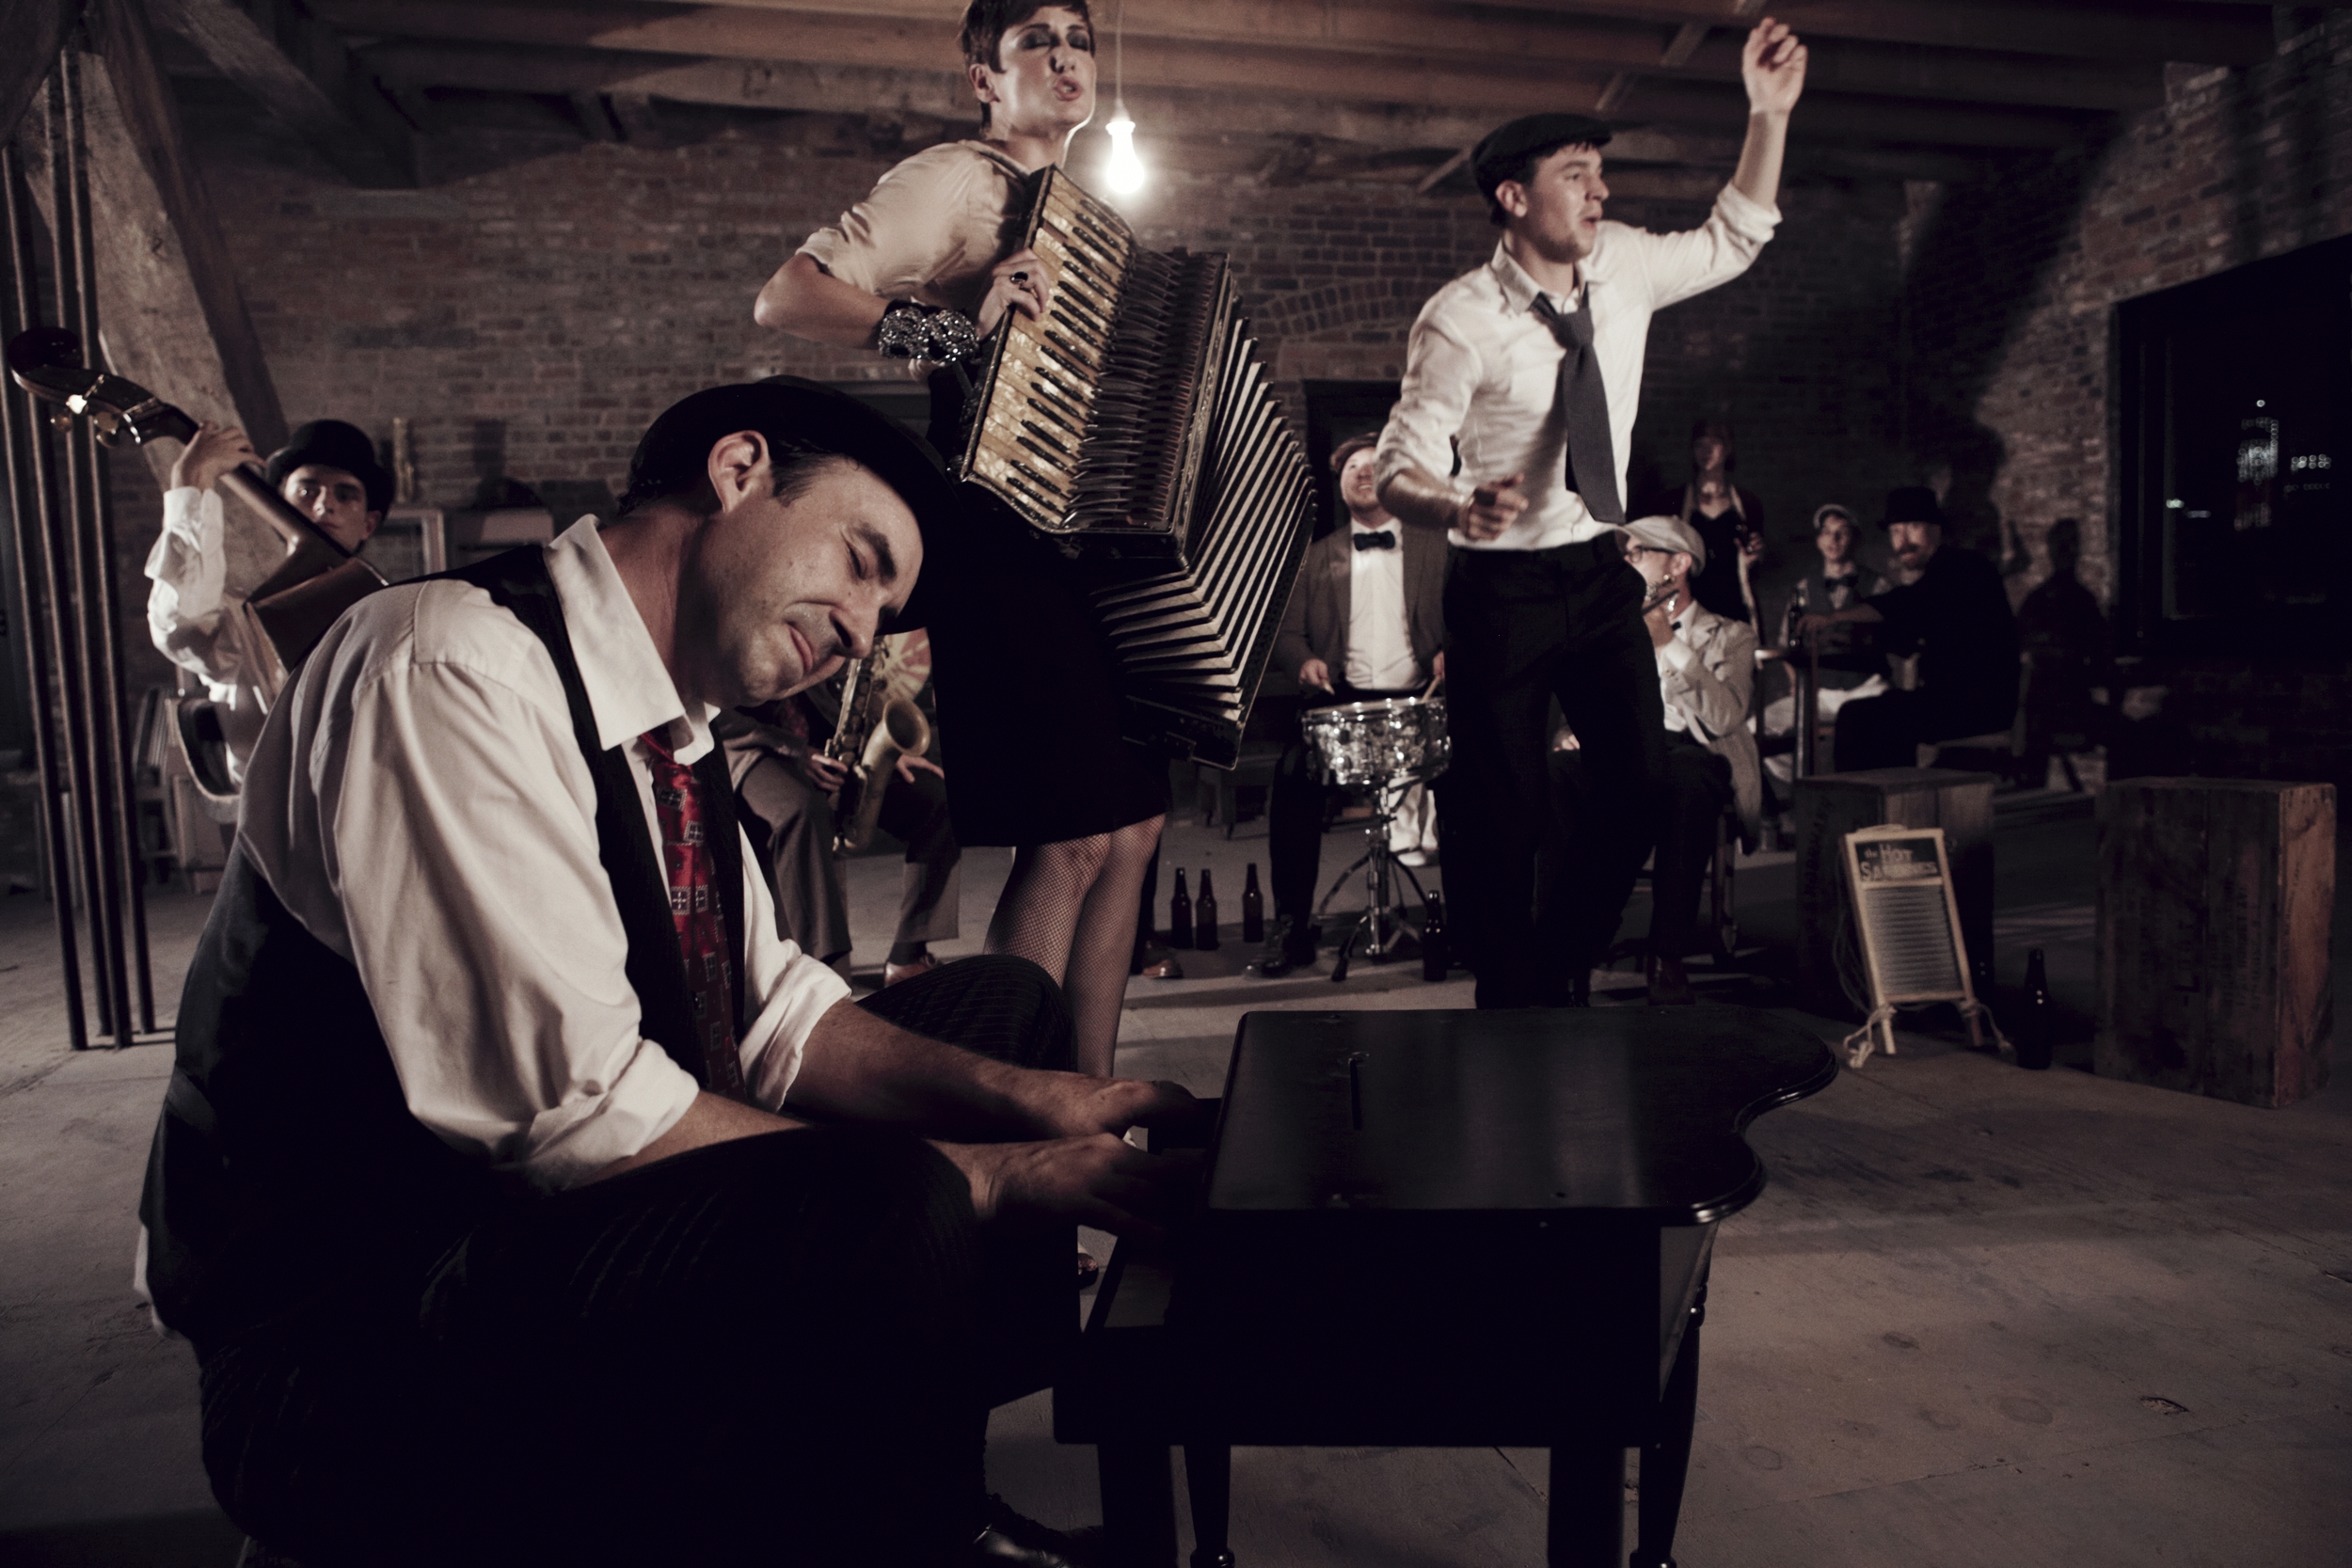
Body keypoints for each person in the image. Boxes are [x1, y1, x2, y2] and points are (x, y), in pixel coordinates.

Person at [136, 379, 1200, 1568]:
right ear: (739, 469)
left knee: (1007, 1015)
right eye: (858, 562)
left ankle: (933, 1501)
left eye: (884, 608)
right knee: (895, 1192)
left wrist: (1055, 1101)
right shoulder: (447, 664)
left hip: (512, 1243)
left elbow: (779, 1017)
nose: (862, 631)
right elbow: (576, 1112)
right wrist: (988, 1176)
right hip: (348, 1341)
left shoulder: (668, 726)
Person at [754, 0, 1162, 1075]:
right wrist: (944, 329)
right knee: (1068, 837)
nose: (1067, 58)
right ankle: (1012, 1105)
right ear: (984, 78)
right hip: (998, 535)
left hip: (1086, 541)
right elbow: (787, 297)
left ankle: (1090, 1104)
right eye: (1037, 41)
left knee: (1132, 830)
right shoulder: (956, 179)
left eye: (1079, 41)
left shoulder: (1083, 211)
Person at [1372, 17, 1806, 1008]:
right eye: (1576, 174)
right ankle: (1507, 991)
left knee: (1645, 787)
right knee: (1505, 811)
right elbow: (1399, 464)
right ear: (1514, 197)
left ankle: (1553, 965)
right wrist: (1454, 502)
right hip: (1501, 590)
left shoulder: (1626, 268)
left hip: (1597, 572)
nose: (1599, 190)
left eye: (1599, 173)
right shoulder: (1461, 319)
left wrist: (1767, 114)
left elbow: (1734, 236)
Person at [1550, 516, 1760, 1006]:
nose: (1627, 562)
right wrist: (1570, 731)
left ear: (1678, 564)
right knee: (1560, 775)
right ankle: (1562, 948)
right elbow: (1580, 699)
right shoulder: (1612, 629)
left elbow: (1726, 717)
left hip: (1694, 749)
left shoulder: (1731, 635)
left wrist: (1669, 643)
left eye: (1638, 552)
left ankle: (1668, 955)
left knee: (1685, 782)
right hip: (1625, 746)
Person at [1259, 434, 1446, 976]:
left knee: (1470, 784)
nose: (1364, 472)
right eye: (1352, 468)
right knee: (1292, 779)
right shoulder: (1317, 556)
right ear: (1339, 486)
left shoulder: (1438, 547)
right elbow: (1286, 633)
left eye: (1374, 464)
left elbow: (1473, 612)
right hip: (1342, 697)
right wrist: (1303, 662)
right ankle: (1291, 926)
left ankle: (1475, 924)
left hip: (1421, 695)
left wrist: (1453, 651)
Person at [145, 418, 389, 784]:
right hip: (276, 807)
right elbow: (183, 630)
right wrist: (191, 482)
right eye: (307, 491)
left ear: (368, 524)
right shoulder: (244, 620)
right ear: (278, 507)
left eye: (345, 494)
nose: (325, 505)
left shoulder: (389, 613)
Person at [715, 641, 961, 984]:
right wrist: (797, 751)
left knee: (938, 801)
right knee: (801, 810)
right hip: (749, 745)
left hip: (825, 744)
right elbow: (715, 716)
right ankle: (827, 971)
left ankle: (907, 955)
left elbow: (838, 693)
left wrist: (881, 745)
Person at [1797, 485, 2020, 771]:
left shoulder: (1964, 568)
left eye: (1913, 527)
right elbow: (1909, 635)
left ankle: (1884, 795)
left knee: (1862, 716)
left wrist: (1834, 616)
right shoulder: (1942, 575)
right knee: (1873, 712)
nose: (1903, 541)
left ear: (1936, 529)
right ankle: (1889, 793)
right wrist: (1846, 637)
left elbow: (1909, 603)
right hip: (1956, 701)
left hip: (1979, 705)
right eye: (1895, 531)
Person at [1759, 501, 1888, 785]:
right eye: (1827, 533)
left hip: (1866, 687)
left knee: (1879, 733)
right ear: (1818, 540)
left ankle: (1857, 789)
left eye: (1842, 532)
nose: (1834, 540)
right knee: (1759, 727)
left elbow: (1893, 634)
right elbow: (1786, 643)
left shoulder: (1878, 585)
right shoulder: (1804, 588)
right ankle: (1807, 786)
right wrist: (1796, 682)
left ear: (1854, 538)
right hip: (1820, 692)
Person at [1642, 418, 1766, 623]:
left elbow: (1757, 568)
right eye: (1700, 444)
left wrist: (1754, 558)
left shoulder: (1747, 504)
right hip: (1689, 607)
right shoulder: (1675, 502)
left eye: (1714, 444)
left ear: (1728, 448)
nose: (1706, 451)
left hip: (1734, 605)